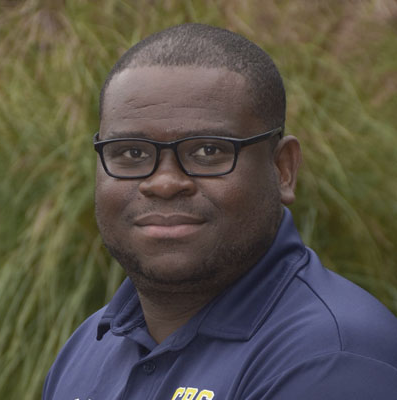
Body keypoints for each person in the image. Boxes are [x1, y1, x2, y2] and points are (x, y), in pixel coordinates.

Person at [43, 24, 397, 400]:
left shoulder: (332, 359)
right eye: (132, 153)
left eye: (209, 151)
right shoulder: (88, 346)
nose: (164, 183)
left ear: (282, 169)